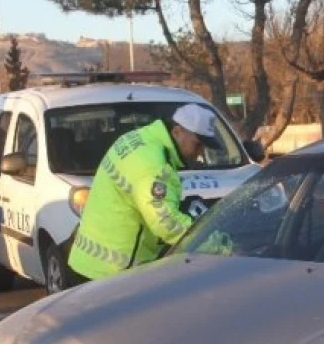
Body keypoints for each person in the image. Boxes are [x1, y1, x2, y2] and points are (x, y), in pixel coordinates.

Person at [67, 104, 222, 283]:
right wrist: (213, 243)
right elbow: (165, 222)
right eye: (198, 144)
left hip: (89, 261)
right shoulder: (153, 165)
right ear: (178, 132)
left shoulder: (142, 138)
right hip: (111, 273)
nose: (200, 153)